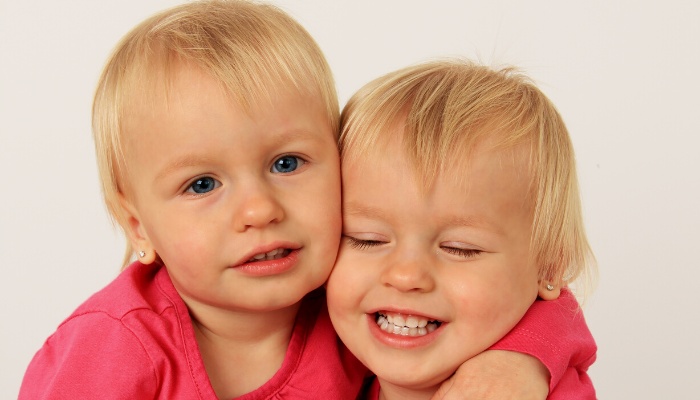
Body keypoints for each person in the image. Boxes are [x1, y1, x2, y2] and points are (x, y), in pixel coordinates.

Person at [19, 1, 593, 398]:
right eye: (202, 184)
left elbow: (537, 291)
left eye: (287, 164)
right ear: (138, 225)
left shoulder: (355, 305)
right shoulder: (109, 350)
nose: (259, 210)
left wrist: (518, 363)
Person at [327, 59, 598, 400]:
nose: (405, 276)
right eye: (367, 239)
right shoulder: (327, 360)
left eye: (459, 248)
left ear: (549, 267)